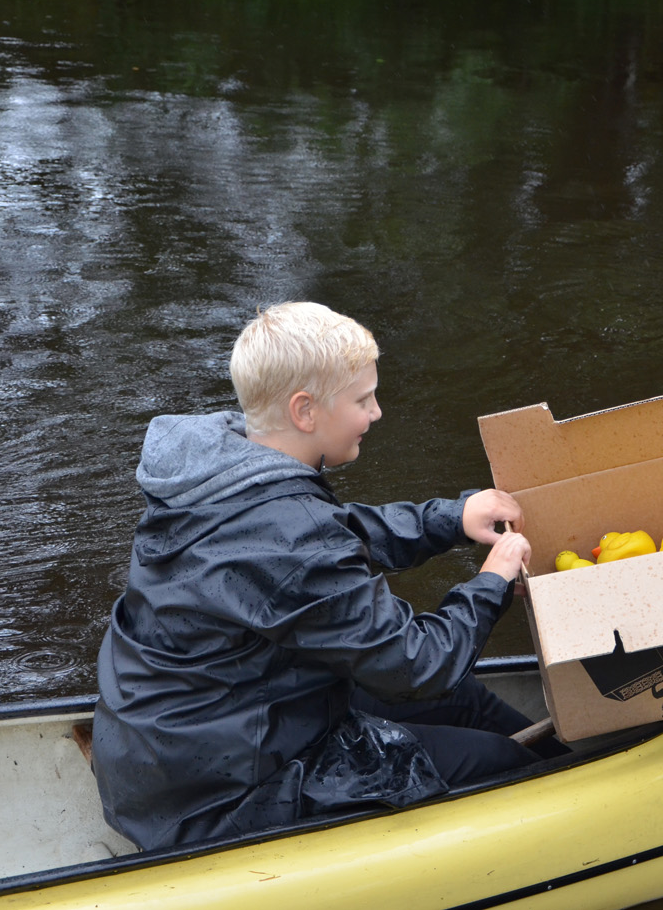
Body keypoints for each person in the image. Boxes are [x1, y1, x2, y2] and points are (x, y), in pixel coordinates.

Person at [92, 301, 544, 850]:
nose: (376, 413)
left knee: (468, 701)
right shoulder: (288, 529)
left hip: (176, 748)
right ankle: (555, 794)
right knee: (498, 761)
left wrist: (450, 518)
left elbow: (331, 536)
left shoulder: (218, 467)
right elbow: (418, 666)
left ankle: (565, 752)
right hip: (214, 795)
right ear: (304, 411)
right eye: (362, 399)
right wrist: (491, 583)